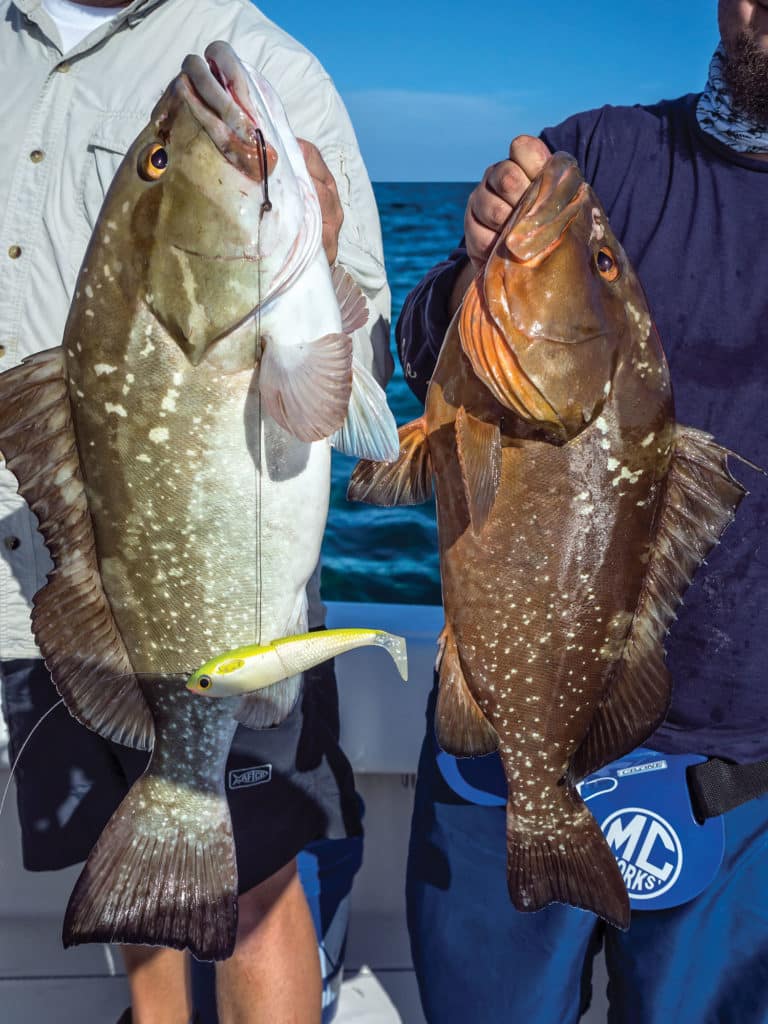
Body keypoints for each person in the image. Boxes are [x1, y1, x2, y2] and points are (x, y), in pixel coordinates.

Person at [0, 2, 392, 1023]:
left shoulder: (265, 61)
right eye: (162, 165)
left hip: (222, 578)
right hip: (36, 571)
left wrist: (323, 272)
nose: (200, 124)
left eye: (160, 165)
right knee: (132, 865)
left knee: (257, 893)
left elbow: (365, 399)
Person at [396, 2, 768, 1022]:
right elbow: (417, 340)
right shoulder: (602, 154)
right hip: (501, 746)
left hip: (744, 783)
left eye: (601, 263)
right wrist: (477, 269)